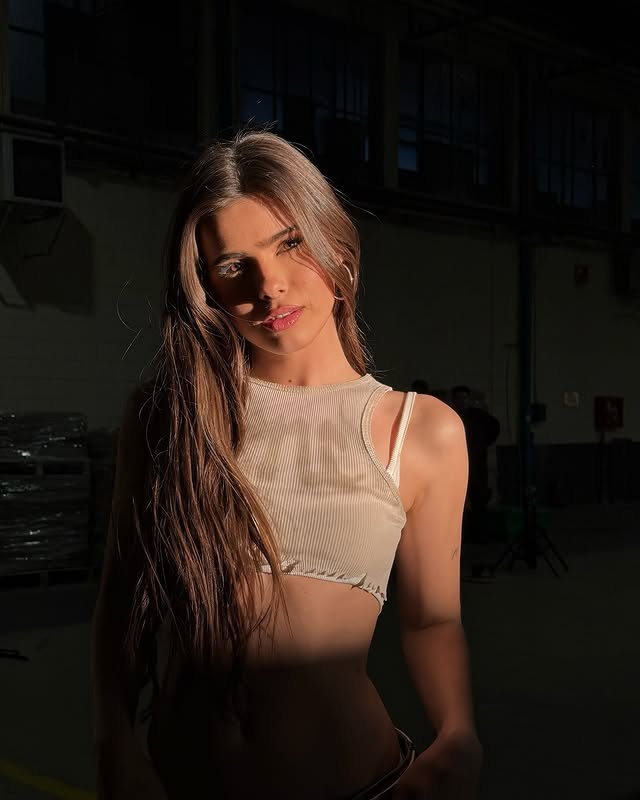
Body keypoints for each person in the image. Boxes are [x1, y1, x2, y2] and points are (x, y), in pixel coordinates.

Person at [90, 129, 482, 800]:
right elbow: (123, 601)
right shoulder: (170, 416)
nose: (269, 286)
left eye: (290, 244)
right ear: (205, 286)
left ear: (336, 245)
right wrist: (114, 744)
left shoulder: (421, 431)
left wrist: (458, 734)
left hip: (362, 784)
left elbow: (432, 620)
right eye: (233, 265)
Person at [450, 386, 500, 545]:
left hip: (477, 464)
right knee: (458, 502)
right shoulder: (451, 416)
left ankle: (479, 534)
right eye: (459, 398)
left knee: (479, 499)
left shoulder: (478, 415)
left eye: (464, 398)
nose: (462, 401)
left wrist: (483, 444)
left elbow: (494, 427)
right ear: (454, 400)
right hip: (457, 466)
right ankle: (461, 536)